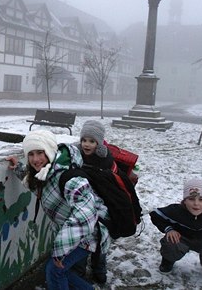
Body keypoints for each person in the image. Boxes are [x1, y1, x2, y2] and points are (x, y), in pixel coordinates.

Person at [6, 130, 109, 290]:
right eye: (31, 154)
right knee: (60, 270)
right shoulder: (47, 172)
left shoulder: (70, 179)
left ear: (50, 151)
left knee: (55, 270)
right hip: (77, 234)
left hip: (89, 234)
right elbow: (41, 188)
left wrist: (60, 249)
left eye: (40, 152)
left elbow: (86, 216)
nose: (35, 159)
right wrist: (18, 169)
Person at [71, 120, 113, 285]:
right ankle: (79, 271)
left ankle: (99, 268)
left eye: (92, 141)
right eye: (84, 140)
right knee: (82, 240)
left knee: (100, 239)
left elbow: (106, 185)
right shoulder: (76, 154)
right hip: (82, 205)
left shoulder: (104, 159)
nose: (87, 144)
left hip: (101, 206)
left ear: (99, 143)